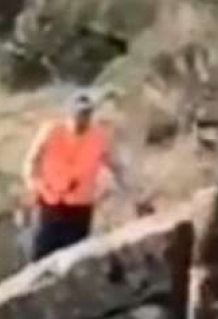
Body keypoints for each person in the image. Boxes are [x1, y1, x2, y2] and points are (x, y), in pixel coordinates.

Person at [22, 88, 151, 261]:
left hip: (80, 209)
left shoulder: (99, 137)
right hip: (50, 204)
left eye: (87, 113)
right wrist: (34, 185)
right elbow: (31, 161)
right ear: (69, 113)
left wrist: (135, 195)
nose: (82, 118)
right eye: (79, 113)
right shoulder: (51, 131)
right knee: (40, 258)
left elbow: (117, 167)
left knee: (75, 259)